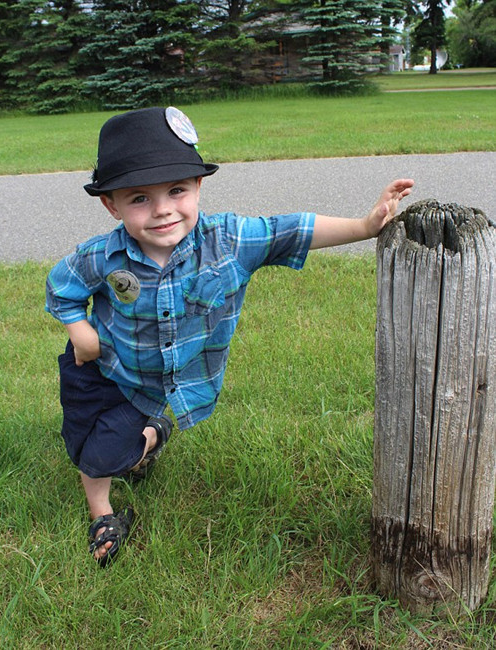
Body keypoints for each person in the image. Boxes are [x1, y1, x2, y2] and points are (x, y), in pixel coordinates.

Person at [45, 106, 413, 567]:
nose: (162, 209)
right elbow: (61, 285)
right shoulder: (102, 256)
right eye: (139, 198)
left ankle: (152, 434)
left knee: (113, 452)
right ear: (111, 204)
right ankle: (104, 512)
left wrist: (363, 226)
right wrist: (80, 333)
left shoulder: (231, 241)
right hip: (100, 368)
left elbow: (292, 229)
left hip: (154, 386)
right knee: (85, 446)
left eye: (176, 190)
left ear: (198, 187)